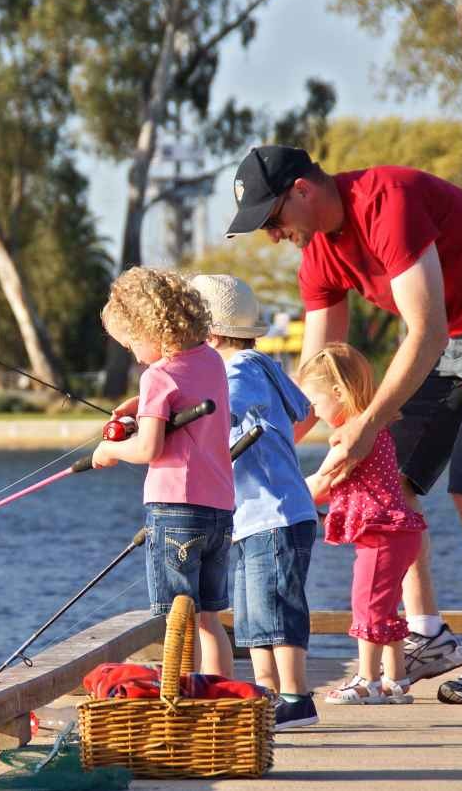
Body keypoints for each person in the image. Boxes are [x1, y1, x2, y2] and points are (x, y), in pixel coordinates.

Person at [226, 144, 462, 704]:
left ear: (303, 191)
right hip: (448, 338)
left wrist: (364, 429)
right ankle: (428, 636)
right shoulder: (319, 259)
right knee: (391, 484)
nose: (272, 235)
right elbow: (316, 379)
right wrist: (257, 443)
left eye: (273, 218)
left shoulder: (389, 202)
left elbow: (424, 331)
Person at [190, 273, 320, 729]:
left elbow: (216, 410)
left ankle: (296, 697)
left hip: (273, 514)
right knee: (253, 614)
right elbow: (305, 411)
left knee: (277, 607)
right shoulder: (265, 366)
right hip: (254, 516)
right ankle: (267, 694)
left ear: (209, 334)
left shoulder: (240, 368)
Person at [92, 267, 235, 676]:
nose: (134, 354)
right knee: (209, 618)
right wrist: (142, 403)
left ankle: (178, 702)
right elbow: (187, 394)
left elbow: (148, 447)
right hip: (220, 507)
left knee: (176, 620)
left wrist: (110, 450)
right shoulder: (211, 360)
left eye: (132, 342)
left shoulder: (156, 375)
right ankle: (220, 700)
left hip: (174, 510)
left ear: (151, 327)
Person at [300, 343, 428, 704]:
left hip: (382, 535)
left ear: (338, 393)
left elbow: (322, 483)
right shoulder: (375, 429)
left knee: (367, 605)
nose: (315, 412)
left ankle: (366, 681)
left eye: (316, 402)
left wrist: (281, 493)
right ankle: (397, 682)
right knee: (385, 607)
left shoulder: (350, 438)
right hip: (399, 534)